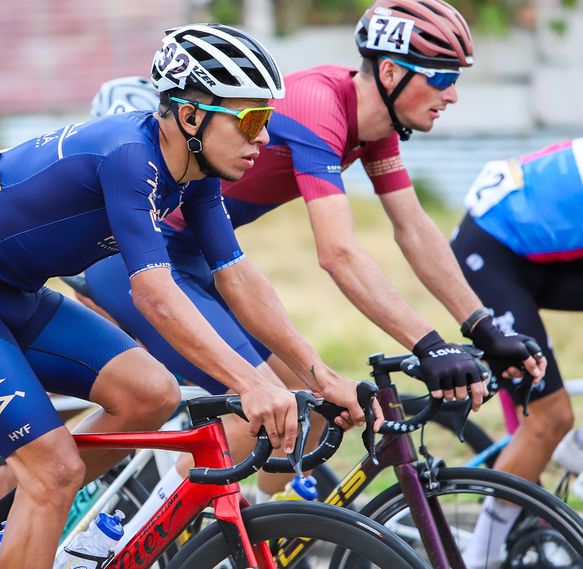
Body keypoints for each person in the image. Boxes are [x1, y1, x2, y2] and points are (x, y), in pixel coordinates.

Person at [0, 23, 377, 569]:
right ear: (191, 115)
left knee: (151, 394)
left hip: (10, 290)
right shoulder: (129, 155)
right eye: (252, 119)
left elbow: (236, 276)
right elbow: (155, 294)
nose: (264, 136)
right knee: (55, 471)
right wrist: (250, 384)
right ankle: (34, 507)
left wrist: (319, 376)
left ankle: (8, 525)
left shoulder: (195, 172)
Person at [80, 0, 546, 503]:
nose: (452, 95)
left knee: (315, 411)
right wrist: (428, 344)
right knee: (252, 410)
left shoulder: (373, 129)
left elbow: (414, 228)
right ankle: (151, 543)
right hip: (138, 260)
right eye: (440, 78)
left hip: (202, 261)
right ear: (389, 71)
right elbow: (338, 254)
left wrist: (481, 327)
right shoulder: (319, 106)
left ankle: (261, 529)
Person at [451, 137, 583, 567]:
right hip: (490, 252)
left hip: (537, 253)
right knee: (551, 418)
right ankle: (480, 557)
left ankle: (573, 447)